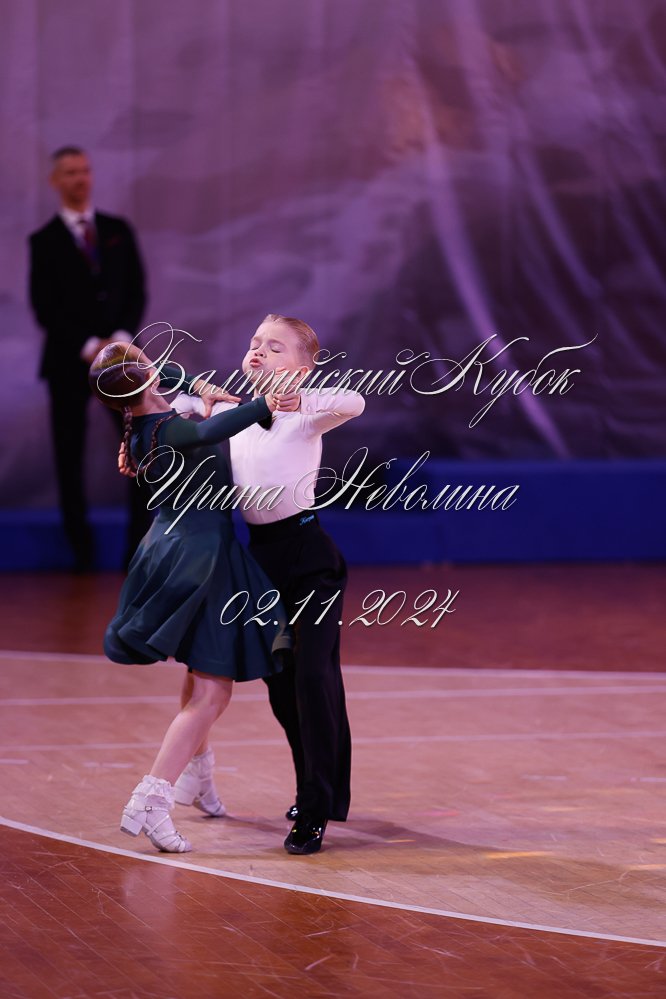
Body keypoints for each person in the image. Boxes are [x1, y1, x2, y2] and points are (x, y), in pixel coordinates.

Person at [171, 315, 365, 854]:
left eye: (275, 347)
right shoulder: (230, 413)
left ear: (301, 368)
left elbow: (355, 402)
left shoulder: (306, 413)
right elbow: (169, 403)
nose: (259, 351)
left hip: (310, 560)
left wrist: (297, 399)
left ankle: (315, 806)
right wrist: (192, 396)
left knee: (312, 677)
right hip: (261, 563)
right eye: (256, 343)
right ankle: (318, 791)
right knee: (281, 688)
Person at [89, 342, 291, 853]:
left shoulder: (144, 421)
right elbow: (205, 432)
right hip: (199, 556)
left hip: (177, 547)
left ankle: (195, 775)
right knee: (215, 689)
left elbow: (169, 373)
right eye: (147, 363)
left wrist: (200, 387)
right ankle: (150, 799)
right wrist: (264, 403)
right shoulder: (167, 428)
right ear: (144, 380)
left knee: (201, 672)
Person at [29, 146, 150, 570]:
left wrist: (117, 341)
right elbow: (44, 306)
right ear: (55, 181)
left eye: (84, 170)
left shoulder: (118, 230)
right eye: (70, 172)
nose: (79, 178)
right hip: (69, 363)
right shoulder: (44, 241)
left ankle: (139, 548)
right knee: (70, 455)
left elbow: (136, 291)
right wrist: (87, 346)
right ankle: (81, 553)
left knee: (139, 448)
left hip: (121, 362)